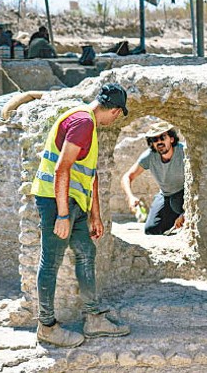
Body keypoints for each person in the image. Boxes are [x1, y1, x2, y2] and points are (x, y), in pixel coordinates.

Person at [30, 83, 131, 348]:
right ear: (116, 111)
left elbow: (90, 174)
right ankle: (47, 326)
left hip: (74, 203)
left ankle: (93, 318)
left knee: (86, 252)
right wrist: (62, 215)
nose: (117, 118)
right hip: (56, 202)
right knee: (50, 261)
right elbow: (62, 169)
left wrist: (94, 215)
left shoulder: (88, 124)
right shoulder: (83, 122)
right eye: (119, 114)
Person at [121, 121, 185, 235]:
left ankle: (181, 217)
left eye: (162, 137)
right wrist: (130, 197)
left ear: (171, 139)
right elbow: (127, 177)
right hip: (165, 195)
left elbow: (201, 181)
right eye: (155, 140)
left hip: (183, 194)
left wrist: (187, 213)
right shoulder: (150, 156)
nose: (159, 142)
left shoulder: (184, 152)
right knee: (151, 229)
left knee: (177, 204)